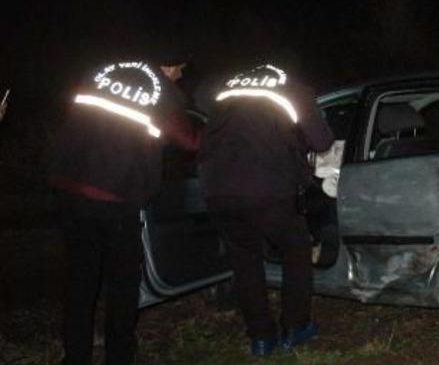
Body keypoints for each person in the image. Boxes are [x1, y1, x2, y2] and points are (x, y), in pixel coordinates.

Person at [49, 51, 198, 365]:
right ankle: (118, 356)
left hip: (71, 187)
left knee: (79, 282)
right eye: (179, 70)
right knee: (123, 285)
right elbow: (188, 141)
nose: (180, 76)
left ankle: (75, 357)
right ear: (168, 65)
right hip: (116, 199)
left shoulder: (101, 69)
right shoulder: (163, 89)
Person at [198, 62, 333, 357]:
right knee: (296, 251)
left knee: (245, 263)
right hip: (269, 190)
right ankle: (296, 327)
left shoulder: (224, 94)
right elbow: (322, 141)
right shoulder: (293, 90)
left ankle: (261, 338)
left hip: (218, 190)